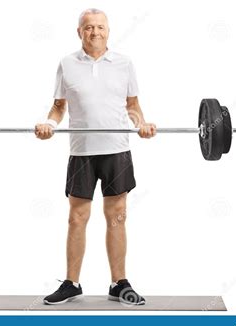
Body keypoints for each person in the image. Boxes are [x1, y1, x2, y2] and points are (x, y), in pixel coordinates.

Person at [36, 8, 156, 305]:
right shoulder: (67, 63)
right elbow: (58, 107)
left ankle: (119, 284)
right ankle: (71, 283)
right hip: (82, 152)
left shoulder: (124, 64)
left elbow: (133, 105)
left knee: (116, 217)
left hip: (117, 149)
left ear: (108, 31)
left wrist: (140, 124)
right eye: (88, 27)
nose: (95, 32)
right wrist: (49, 124)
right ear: (79, 32)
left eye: (100, 27)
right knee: (77, 218)